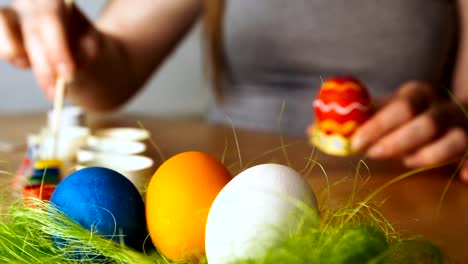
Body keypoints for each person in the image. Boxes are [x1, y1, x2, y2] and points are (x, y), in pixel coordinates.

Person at [0, 0, 467, 181]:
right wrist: (73, 49)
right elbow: (114, 68)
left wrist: (458, 119)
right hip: (226, 186)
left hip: (409, 197)